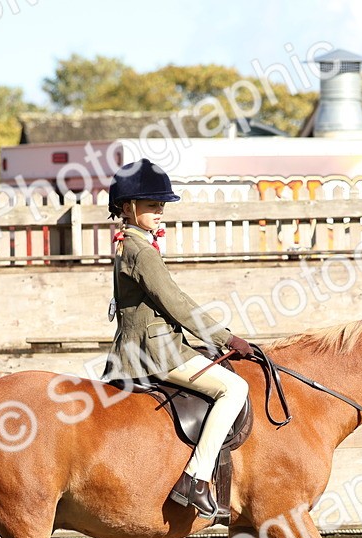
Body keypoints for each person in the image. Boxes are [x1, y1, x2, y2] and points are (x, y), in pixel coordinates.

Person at [100, 158, 254, 519]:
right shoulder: (140, 251)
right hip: (157, 352)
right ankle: (196, 477)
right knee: (234, 389)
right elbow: (176, 302)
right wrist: (226, 338)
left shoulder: (129, 244)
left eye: (162, 206)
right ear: (127, 207)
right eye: (153, 206)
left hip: (143, 346)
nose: (160, 213)